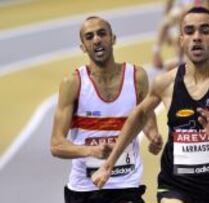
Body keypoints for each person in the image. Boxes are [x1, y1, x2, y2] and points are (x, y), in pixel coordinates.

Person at [92, 7, 209, 203]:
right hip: (176, 186)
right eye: (189, 31)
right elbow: (139, 115)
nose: (197, 37)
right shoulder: (166, 83)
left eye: (205, 31)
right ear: (181, 41)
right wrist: (109, 164)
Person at [50, 16, 162, 203]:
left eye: (102, 33)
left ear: (113, 39)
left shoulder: (136, 77)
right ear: (83, 47)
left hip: (125, 186)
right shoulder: (73, 83)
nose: (96, 39)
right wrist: (90, 151)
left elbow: (145, 119)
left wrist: (153, 137)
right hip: (85, 189)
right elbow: (56, 145)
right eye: (89, 36)